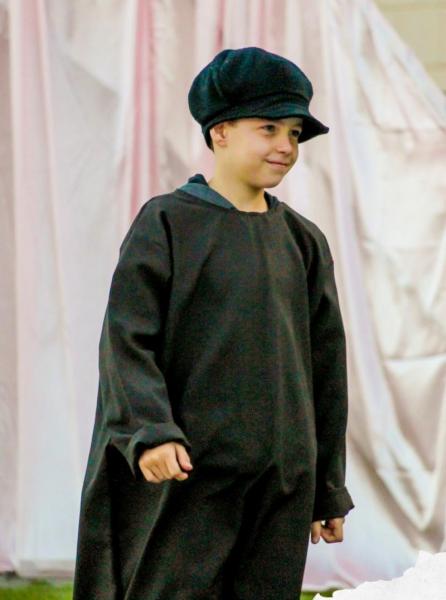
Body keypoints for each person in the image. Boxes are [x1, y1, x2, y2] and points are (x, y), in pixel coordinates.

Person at [73, 46, 355, 599]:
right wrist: (150, 432)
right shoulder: (167, 223)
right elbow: (127, 341)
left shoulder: (303, 242)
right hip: (186, 476)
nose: (286, 146)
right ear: (220, 132)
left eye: (295, 133)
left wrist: (326, 487)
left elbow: (327, 368)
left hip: (280, 485)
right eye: (269, 128)